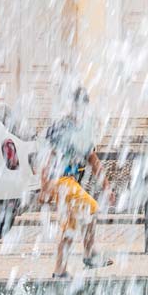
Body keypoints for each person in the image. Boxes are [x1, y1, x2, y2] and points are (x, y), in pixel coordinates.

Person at [40, 87, 114, 278]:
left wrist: (106, 186)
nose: (80, 110)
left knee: (70, 227)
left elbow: (93, 160)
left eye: (83, 106)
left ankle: (60, 270)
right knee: (92, 208)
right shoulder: (61, 127)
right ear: (72, 105)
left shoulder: (83, 130)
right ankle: (89, 254)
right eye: (78, 105)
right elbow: (48, 157)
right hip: (61, 181)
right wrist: (44, 186)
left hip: (70, 183)